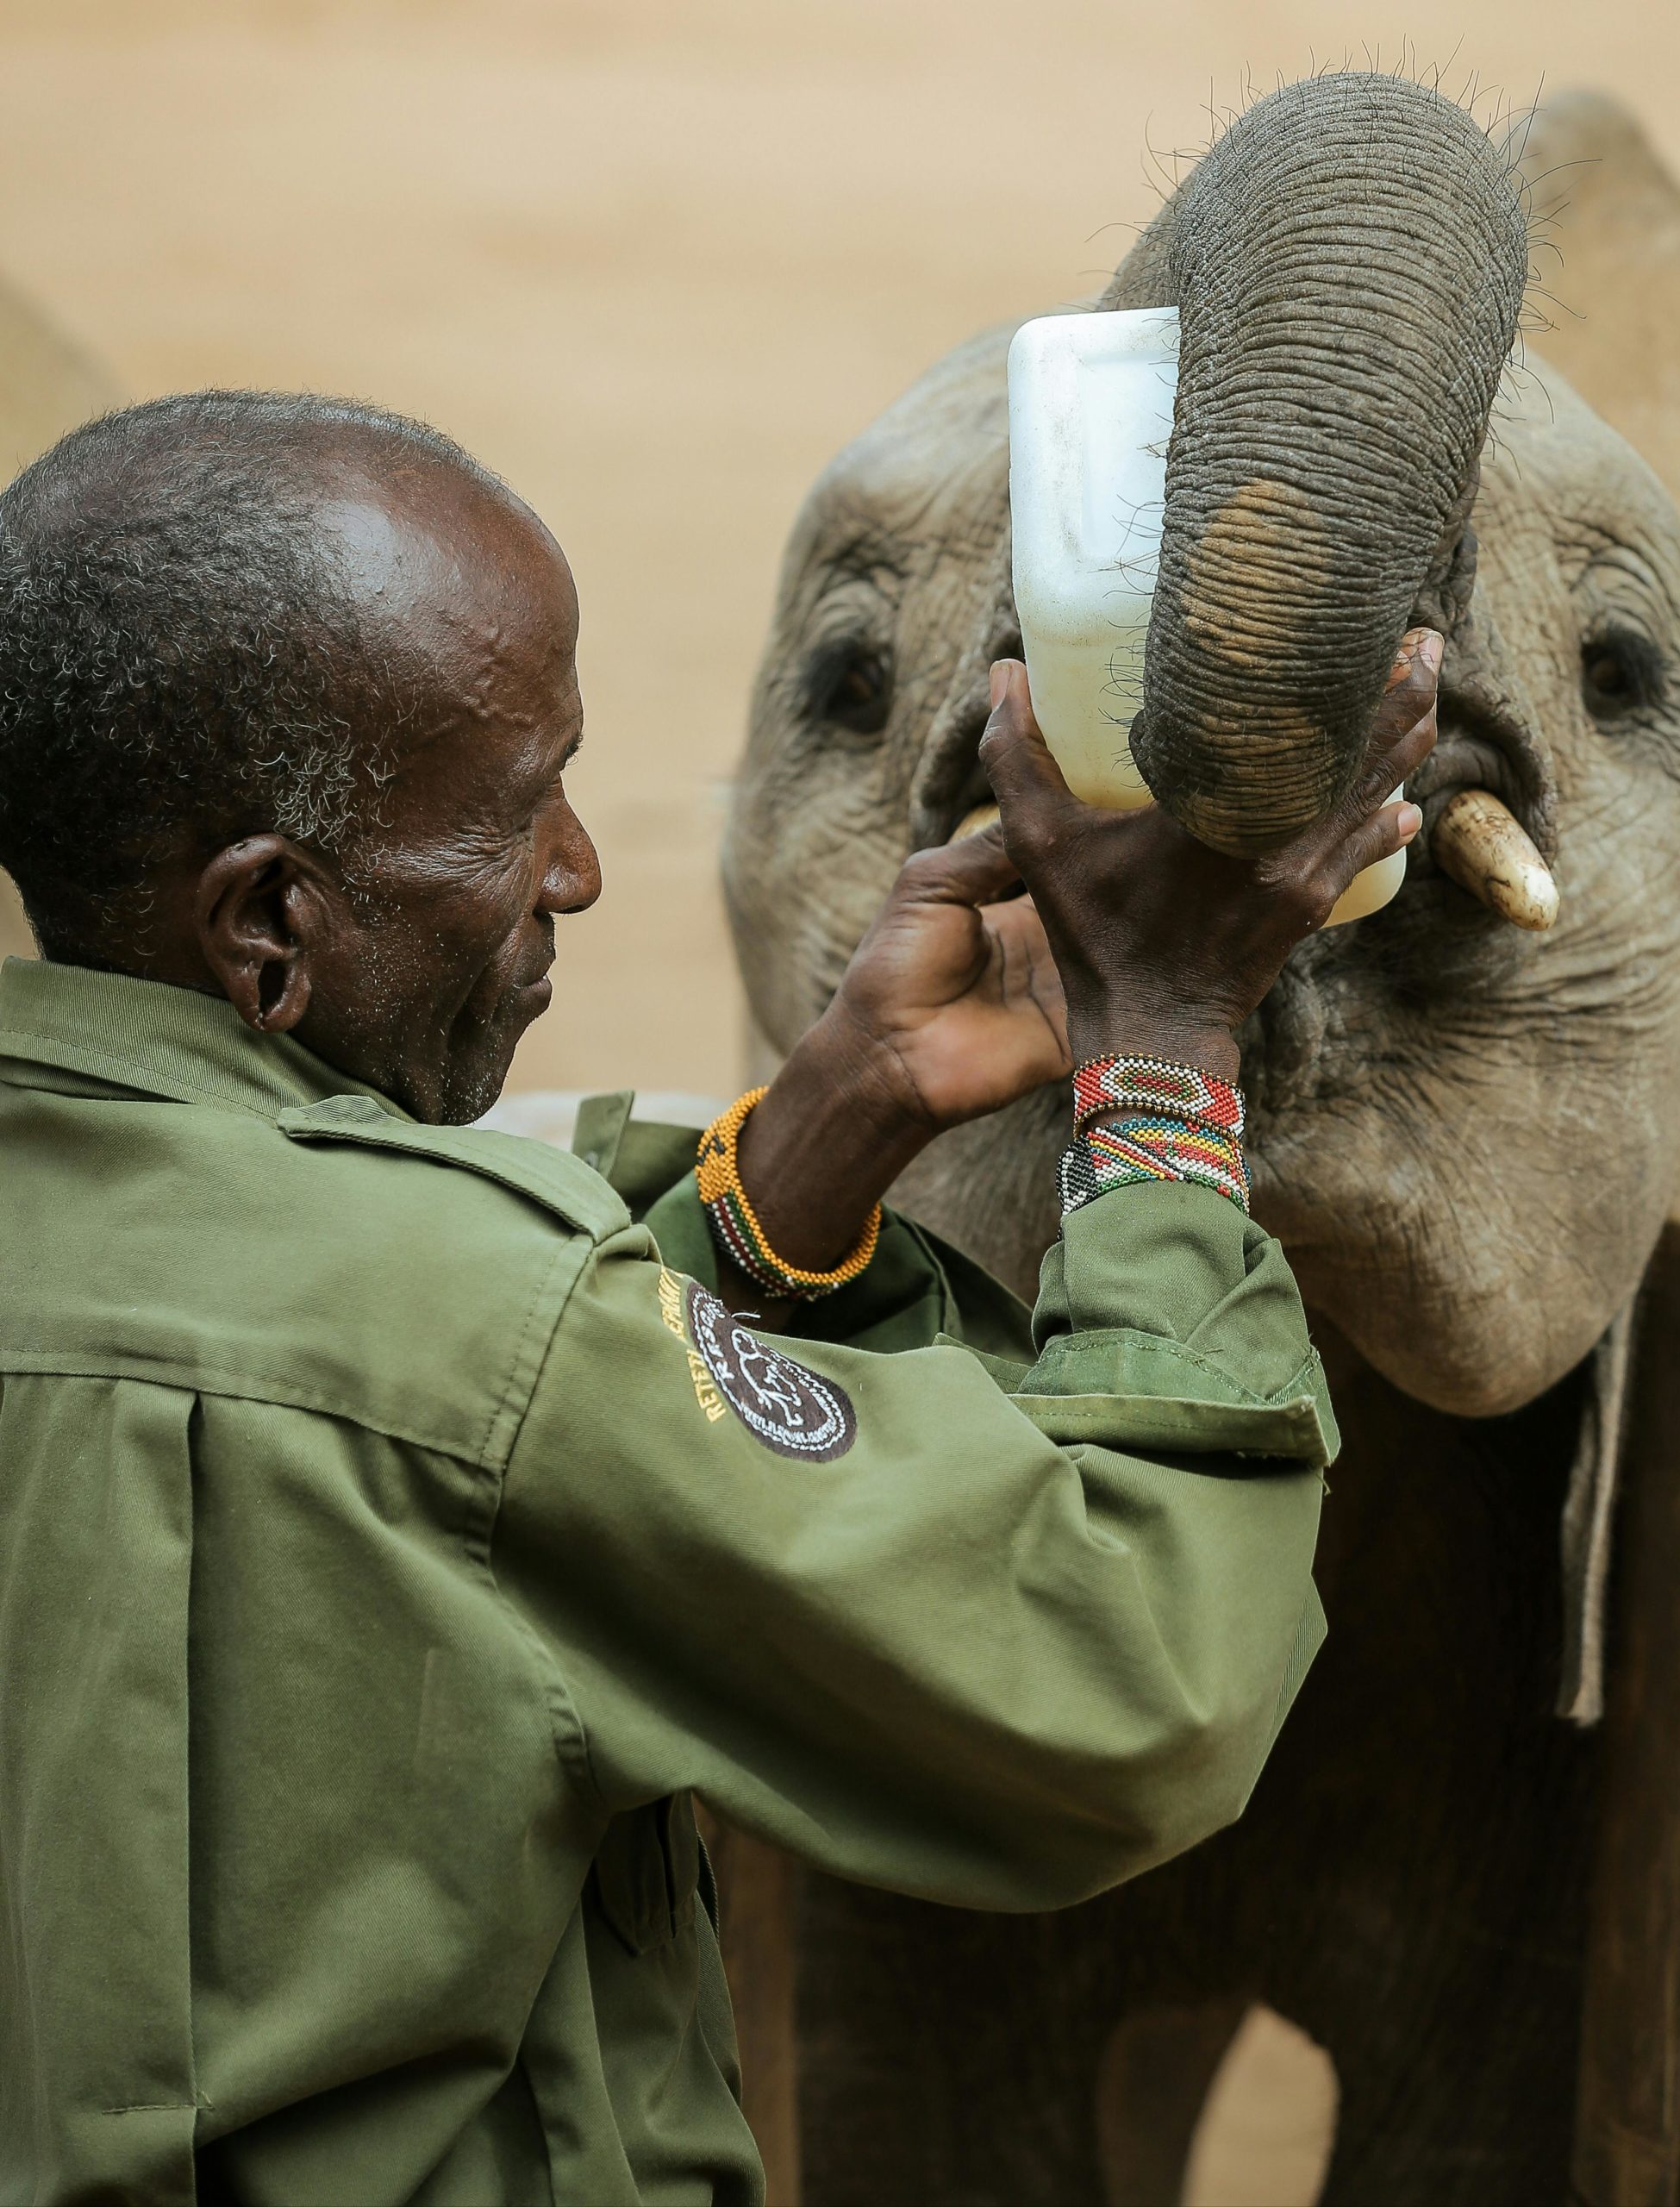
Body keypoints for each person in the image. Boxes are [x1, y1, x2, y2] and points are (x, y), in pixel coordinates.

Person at [0, 392, 1436, 2205]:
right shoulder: (463, 1330)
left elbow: (413, 1453)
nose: (580, 869)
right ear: (268, 928)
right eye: (516, 813)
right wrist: (1162, 1050)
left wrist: (838, 1119)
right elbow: (1135, 1679)